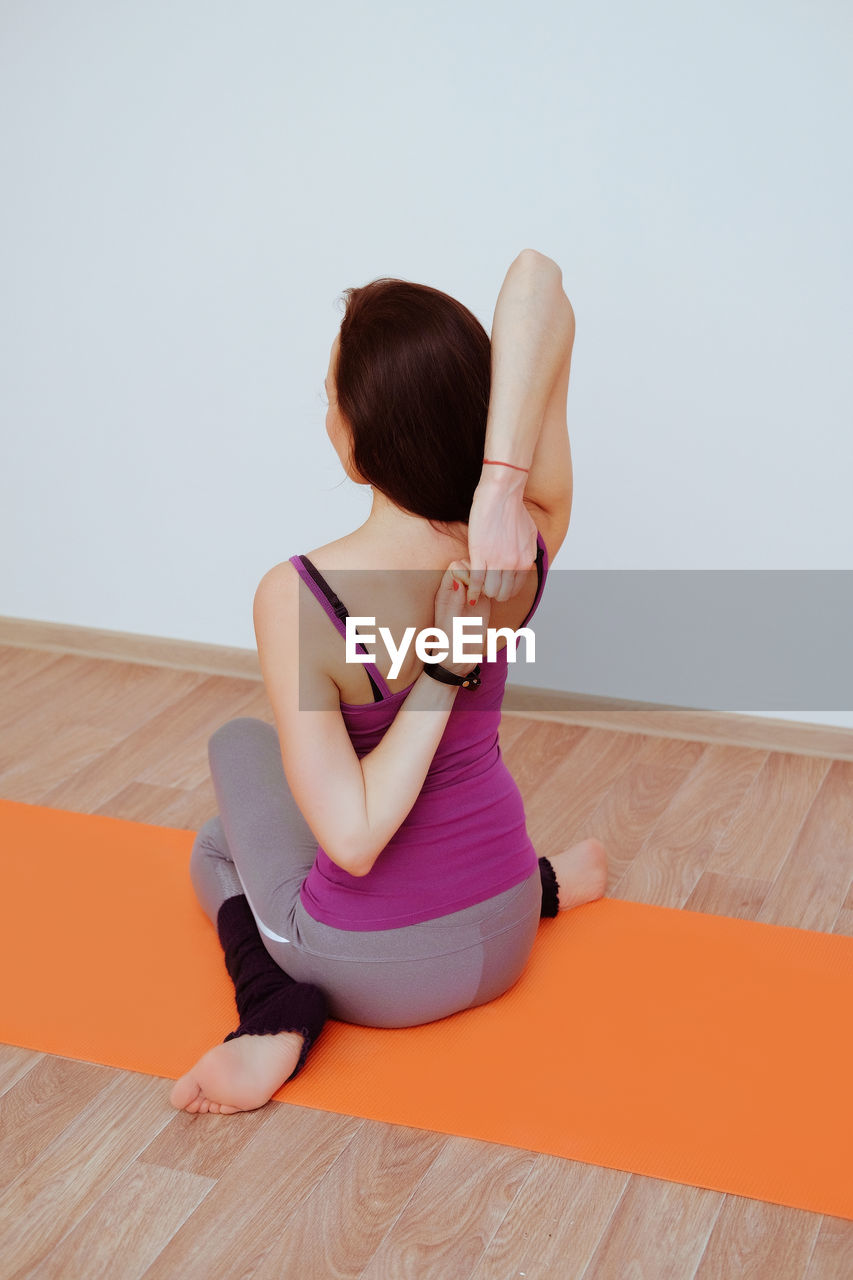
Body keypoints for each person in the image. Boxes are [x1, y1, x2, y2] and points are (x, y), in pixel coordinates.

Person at [170, 248, 607, 1115]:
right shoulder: (517, 546)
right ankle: (547, 883)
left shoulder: (299, 596)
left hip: (381, 972)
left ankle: (273, 1013)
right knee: (317, 783)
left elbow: (357, 839)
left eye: (332, 395)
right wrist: (498, 488)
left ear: (358, 435)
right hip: (509, 921)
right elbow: (539, 282)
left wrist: (442, 666)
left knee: (223, 814)